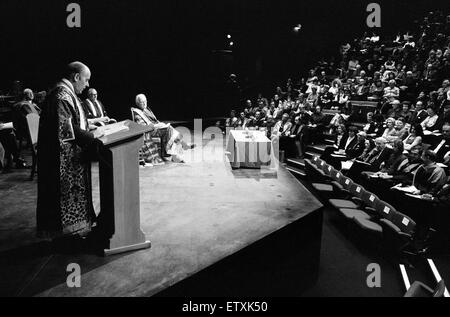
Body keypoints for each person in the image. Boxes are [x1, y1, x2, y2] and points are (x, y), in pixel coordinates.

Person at [36, 61, 104, 241]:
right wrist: (92, 137)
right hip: (60, 160)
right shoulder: (61, 95)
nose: (87, 84)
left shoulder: (66, 93)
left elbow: (72, 122)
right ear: (76, 77)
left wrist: (91, 128)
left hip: (66, 155)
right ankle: (66, 237)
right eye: (86, 80)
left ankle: (70, 234)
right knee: (60, 199)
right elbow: (66, 129)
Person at [131, 93, 194, 163]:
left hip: (155, 128)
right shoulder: (137, 113)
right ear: (137, 103)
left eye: (145, 101)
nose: (144, 103)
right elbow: (143, 127)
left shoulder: (147, 110)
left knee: (169, 130)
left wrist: (160, 124)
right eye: (141, 102)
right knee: (168, 129)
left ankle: (177, 153)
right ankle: (180, 149)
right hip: (149, 132)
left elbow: (154, 120)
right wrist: (156, 126)